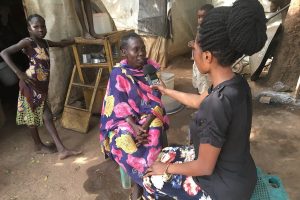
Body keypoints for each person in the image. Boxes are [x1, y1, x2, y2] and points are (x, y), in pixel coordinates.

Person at [143, 0, 267, 199]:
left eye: (195, 49)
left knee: (149, 178)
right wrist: (165, 91)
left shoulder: (216, 105)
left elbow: (204, 167)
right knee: (168, 150)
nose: (193, 54)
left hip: (224, 189)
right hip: (241, 174)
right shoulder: (236, 84)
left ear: (207, 56)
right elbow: (198, 101)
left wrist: (165, 168)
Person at [0, 14, 82, 160]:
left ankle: (50, 147)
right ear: (29, 29)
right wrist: (19, 73)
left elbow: (60, 44)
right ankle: (48, 147)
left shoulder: (45, 43)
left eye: (43, 26)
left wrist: (72, 40)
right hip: (30, 85)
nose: (40, 29)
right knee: (37, 116)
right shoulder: (27, 42)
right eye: (36, 27)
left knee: (43, 116)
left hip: (41, 86)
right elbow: (4, 53)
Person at [99, 32, 169, 199]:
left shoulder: (150, 70)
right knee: (122, 137)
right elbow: (117, 104)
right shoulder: (118, 73)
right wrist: (133, 126)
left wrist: (143, 126)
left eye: (143, 49)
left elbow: (157, 99)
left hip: (148, 115)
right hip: (125, 118)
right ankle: (140, 181)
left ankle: (147, 180)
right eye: (135, 50)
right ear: (124, 52)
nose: (141, 54)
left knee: (155, 129)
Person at [188, 4, 214, 95]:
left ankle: (204, 99)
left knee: (203, 81)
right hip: (197, 60)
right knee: (197, 79)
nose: (200, 19)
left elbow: (205, 45)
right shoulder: (200, 29)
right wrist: (194, 43)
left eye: (203, 17)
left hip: (203, 61)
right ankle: (200, 95)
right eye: (198, 17)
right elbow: (198, 41)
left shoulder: (210, 31)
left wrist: (195, 46)